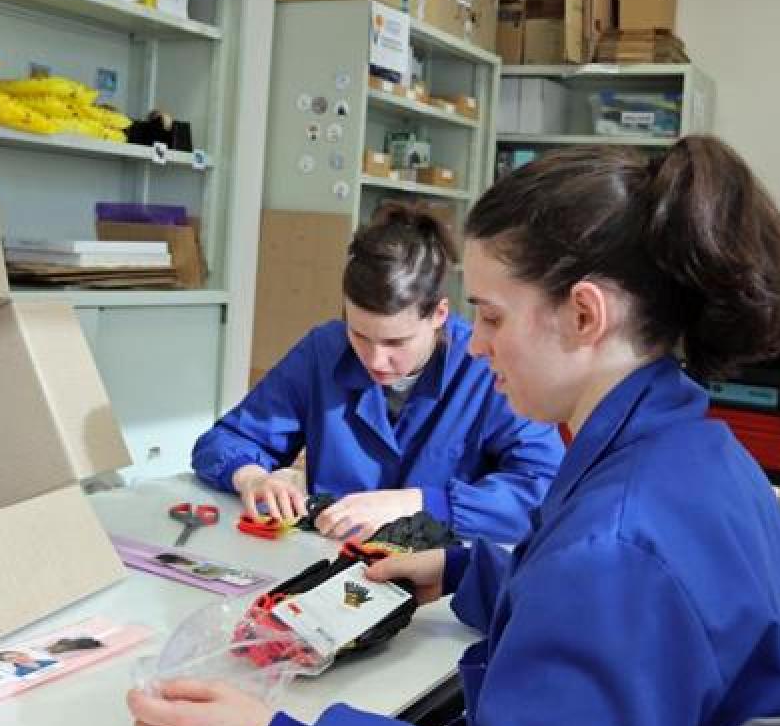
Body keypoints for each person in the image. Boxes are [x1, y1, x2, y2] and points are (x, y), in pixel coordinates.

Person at [128, 136, 780, 726]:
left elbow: (602, 590)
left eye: (490, 315)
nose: (478, 343)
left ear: (584, 315)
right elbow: (611, 626)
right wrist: (463, 573)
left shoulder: (612, 550)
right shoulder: (706, 455)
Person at [192, 204, 564, 544]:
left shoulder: (485, 366)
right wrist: (253, 477)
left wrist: (422, 503)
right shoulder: (324, 350)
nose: (375, 360)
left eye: (396, 342)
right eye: (360, 334)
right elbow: (225, 440)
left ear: (439, 315)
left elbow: (544, 491)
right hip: (330, 561)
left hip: (442, 577)